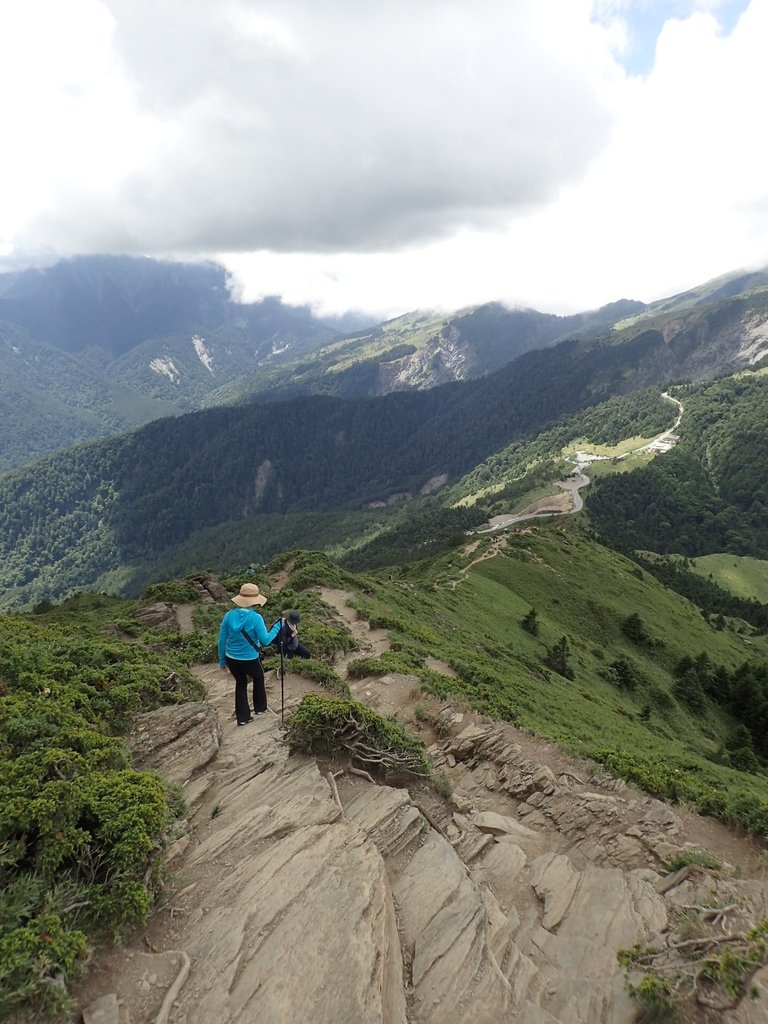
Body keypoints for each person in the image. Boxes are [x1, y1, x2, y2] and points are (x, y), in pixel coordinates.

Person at [218, 583, 282, 724]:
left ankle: (243, 718)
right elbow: (265, 640)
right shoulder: (256, 618)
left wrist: (222, 661)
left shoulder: (229, 616)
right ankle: (260, 708)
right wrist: (277, 627)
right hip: (250, 658)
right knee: (258, 678)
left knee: (240, 683)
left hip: (232, 658)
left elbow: (221, 640)